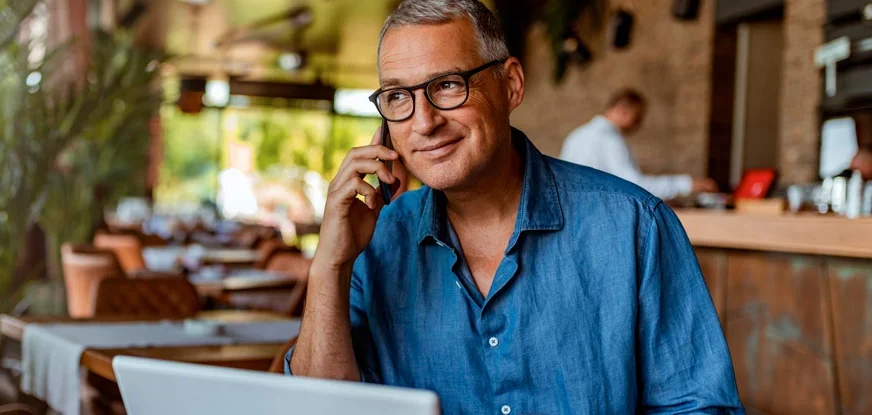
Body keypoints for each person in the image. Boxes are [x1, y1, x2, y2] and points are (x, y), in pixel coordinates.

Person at [285, 1, 743, 414]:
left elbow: (698, 408)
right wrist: (330, 263)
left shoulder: (635, 227)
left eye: (447, 85)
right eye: (398, 97)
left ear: (510, 85)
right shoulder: (377, 240)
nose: (424, 123)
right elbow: (321, 407)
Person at [560, 90, 718, 200]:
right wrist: (687, 184)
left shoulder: (576, 135)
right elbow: (635, 186)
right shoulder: (610, 140)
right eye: (637, 118)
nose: (638, 125)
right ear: (622, 110)